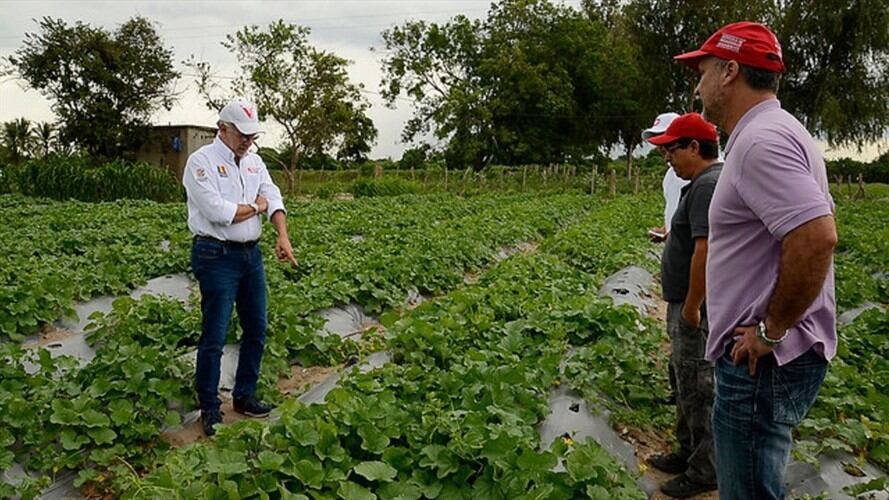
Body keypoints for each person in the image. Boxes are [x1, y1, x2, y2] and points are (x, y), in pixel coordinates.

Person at [674, 22, 838, 499]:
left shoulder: (761, 142)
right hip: (764, 361)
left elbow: (816, 236)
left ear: (729, 71)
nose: (696, 84)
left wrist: (771, 331)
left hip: (760, 365)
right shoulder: (772, 132)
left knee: (748, 491)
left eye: (701, 70)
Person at [183, 98, 299, 437]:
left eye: (252, 135)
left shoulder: (254, 162)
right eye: (242, 134)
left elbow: (273, 197)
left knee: (257, 329)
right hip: (215, 255)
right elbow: (220, 211)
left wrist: (282, 234)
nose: (248, 141)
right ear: (223, 129)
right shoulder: (200, 162)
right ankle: (209, 407)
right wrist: (256, 206)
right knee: (215, 336)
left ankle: (244, 396)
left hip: (251, 255)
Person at [645, 113, 721, 498]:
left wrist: (693, 305)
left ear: (694, 147)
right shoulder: (699, 185)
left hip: (695, 307)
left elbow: (704, 252)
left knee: (698, 384)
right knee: (684, 380)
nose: (668, 159)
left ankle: (704, 470)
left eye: (672, 150)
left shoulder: (707, 186)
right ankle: (687, 452)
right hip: (685, 303)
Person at [641, 112, 689, 242]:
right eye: (656, 138)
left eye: (665, 136)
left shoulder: (696, 174)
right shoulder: (670, 174)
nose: (660, 144)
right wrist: (666, 229)